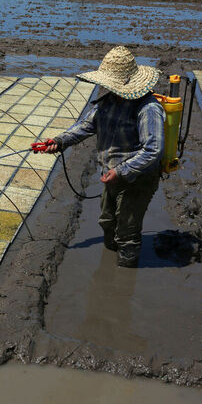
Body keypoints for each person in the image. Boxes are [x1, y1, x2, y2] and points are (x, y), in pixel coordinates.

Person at [40, 46, 166, 268]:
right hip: (111, 174)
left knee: (127, 232)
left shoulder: (148, 108)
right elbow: (86, 126)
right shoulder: (108, 102)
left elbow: (153, 150)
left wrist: (120, 171)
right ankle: (108, 265)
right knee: (107, 221)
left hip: (136, 179)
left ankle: (124, 276)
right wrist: (59, 141)